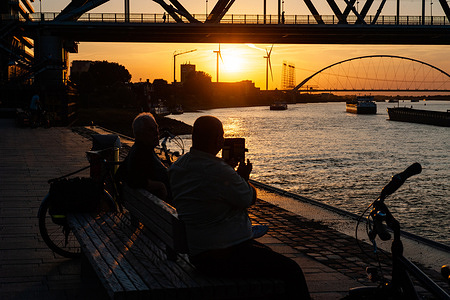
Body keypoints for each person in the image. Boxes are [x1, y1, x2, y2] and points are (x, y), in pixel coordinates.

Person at [169, 116, 310, 299]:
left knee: (268, 256)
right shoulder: (218, 170)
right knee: (292, 270)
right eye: (221, 135)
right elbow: (249, 198)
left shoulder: (178, 167)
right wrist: (242, 176)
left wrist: (229, 173)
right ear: (217, 140)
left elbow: (205, 190)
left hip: (198, 253)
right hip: (224, 255)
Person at [117, 112, 171, 202]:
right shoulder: (141, 153)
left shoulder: (141, 149)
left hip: (150, 208)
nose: (156, 132)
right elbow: (134, 180)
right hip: (163, 209)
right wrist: (160, 186)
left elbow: (121, 173)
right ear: (140, 134)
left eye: (156, 127)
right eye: (150, 129)